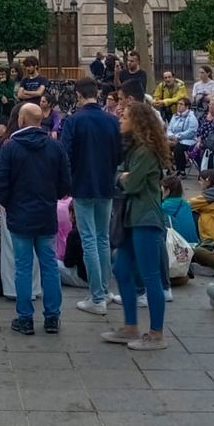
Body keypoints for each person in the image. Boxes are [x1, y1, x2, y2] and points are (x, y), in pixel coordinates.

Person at [0, 102, 71, 335]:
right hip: (46, 213)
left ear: (21, 120)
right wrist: (53, 197)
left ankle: (25, 317)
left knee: (23, 266)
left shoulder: (10, 147)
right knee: (49, 265)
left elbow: (0, 180)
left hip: (20, 214)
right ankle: (52, 317)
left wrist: (8, 201)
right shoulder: (55, 147)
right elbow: (65, 181)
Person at [99, 101, 170, 350]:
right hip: (130, 217)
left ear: (137, 122)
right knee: (121, 269)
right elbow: (118, 174)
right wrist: (122, 175)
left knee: (150, 275)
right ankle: (130, 326)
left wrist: (122, 177)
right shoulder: (133, 149)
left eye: (125, 117)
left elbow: (132, 184)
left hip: (146, 218)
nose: (120, 120)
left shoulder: (146, 152)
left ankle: (157, 333)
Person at [59, 77, 121, 315]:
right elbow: (119, 154)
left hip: (82, 185)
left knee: (89, 239)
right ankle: (104, 290)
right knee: (103, 238)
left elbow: (65, 154)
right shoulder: (112, 120)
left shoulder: (74, 121)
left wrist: (67, 181)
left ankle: (97, 297)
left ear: (78, 95)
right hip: (106, 185)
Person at [167, 97, 198, 171]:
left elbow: (191, 132)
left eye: (181, 104)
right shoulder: (175, 116)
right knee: (163, 145)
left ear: (187, 106)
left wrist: (177, 137)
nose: (178, 106)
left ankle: (181, 170)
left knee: (178, 148)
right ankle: (169, 168)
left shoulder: (192, 117)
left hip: (188, 140)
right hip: (174, 139)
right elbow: (169, 128)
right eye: (178, 104)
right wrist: (171, 136)